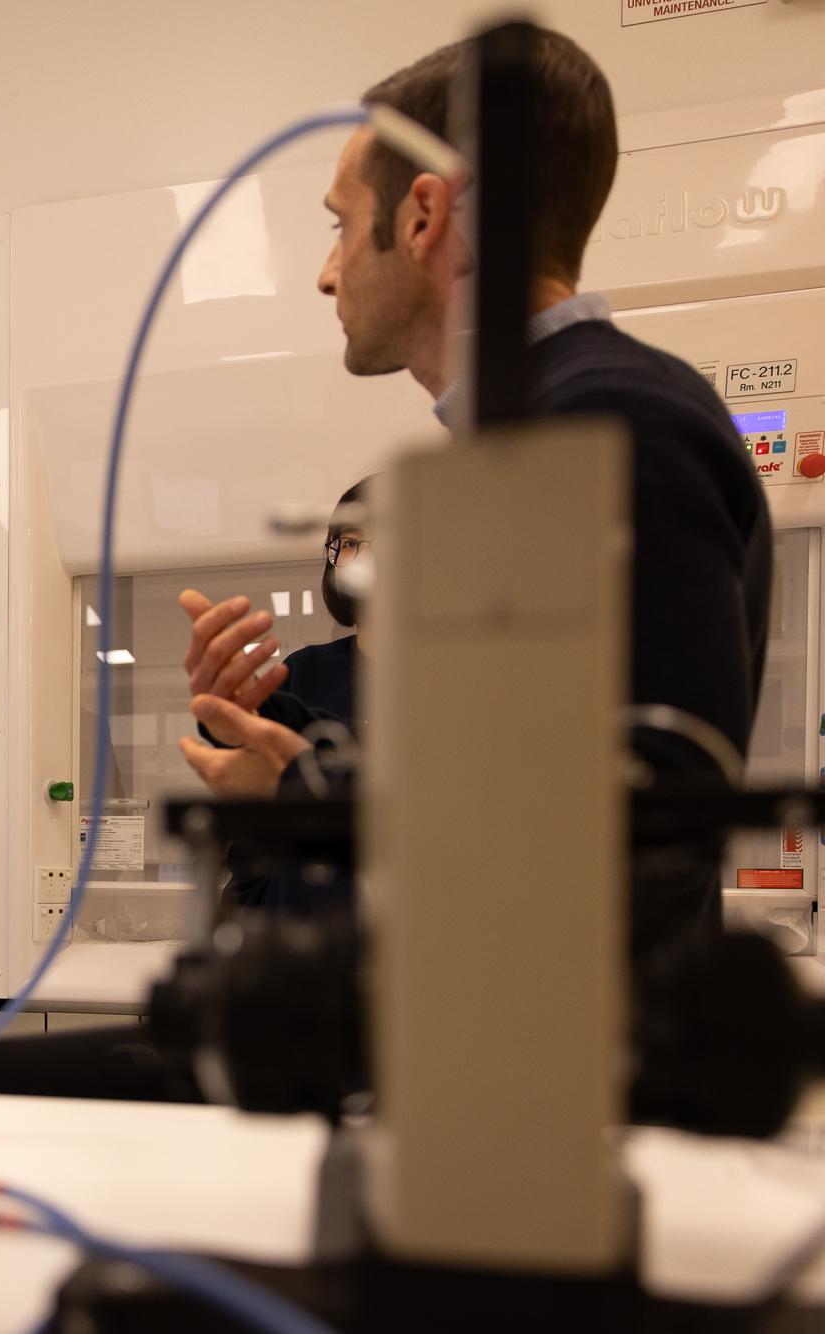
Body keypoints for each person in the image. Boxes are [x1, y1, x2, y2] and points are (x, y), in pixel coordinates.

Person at [176, 30, 771, 955]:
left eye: (338, 223)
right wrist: (290, 738)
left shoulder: (605, 424)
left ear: (421, 217)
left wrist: (307, 798)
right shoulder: (551, 423)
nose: (327, 271)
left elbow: (637, 828)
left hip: (568, 1066)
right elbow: (522, 774)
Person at [188, 479, 371, 915]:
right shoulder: (305, 671)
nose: (363, 558)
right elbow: (256, 847)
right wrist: (227, 724)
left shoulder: (461, 684)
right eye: (349, 543)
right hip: (305, 954)